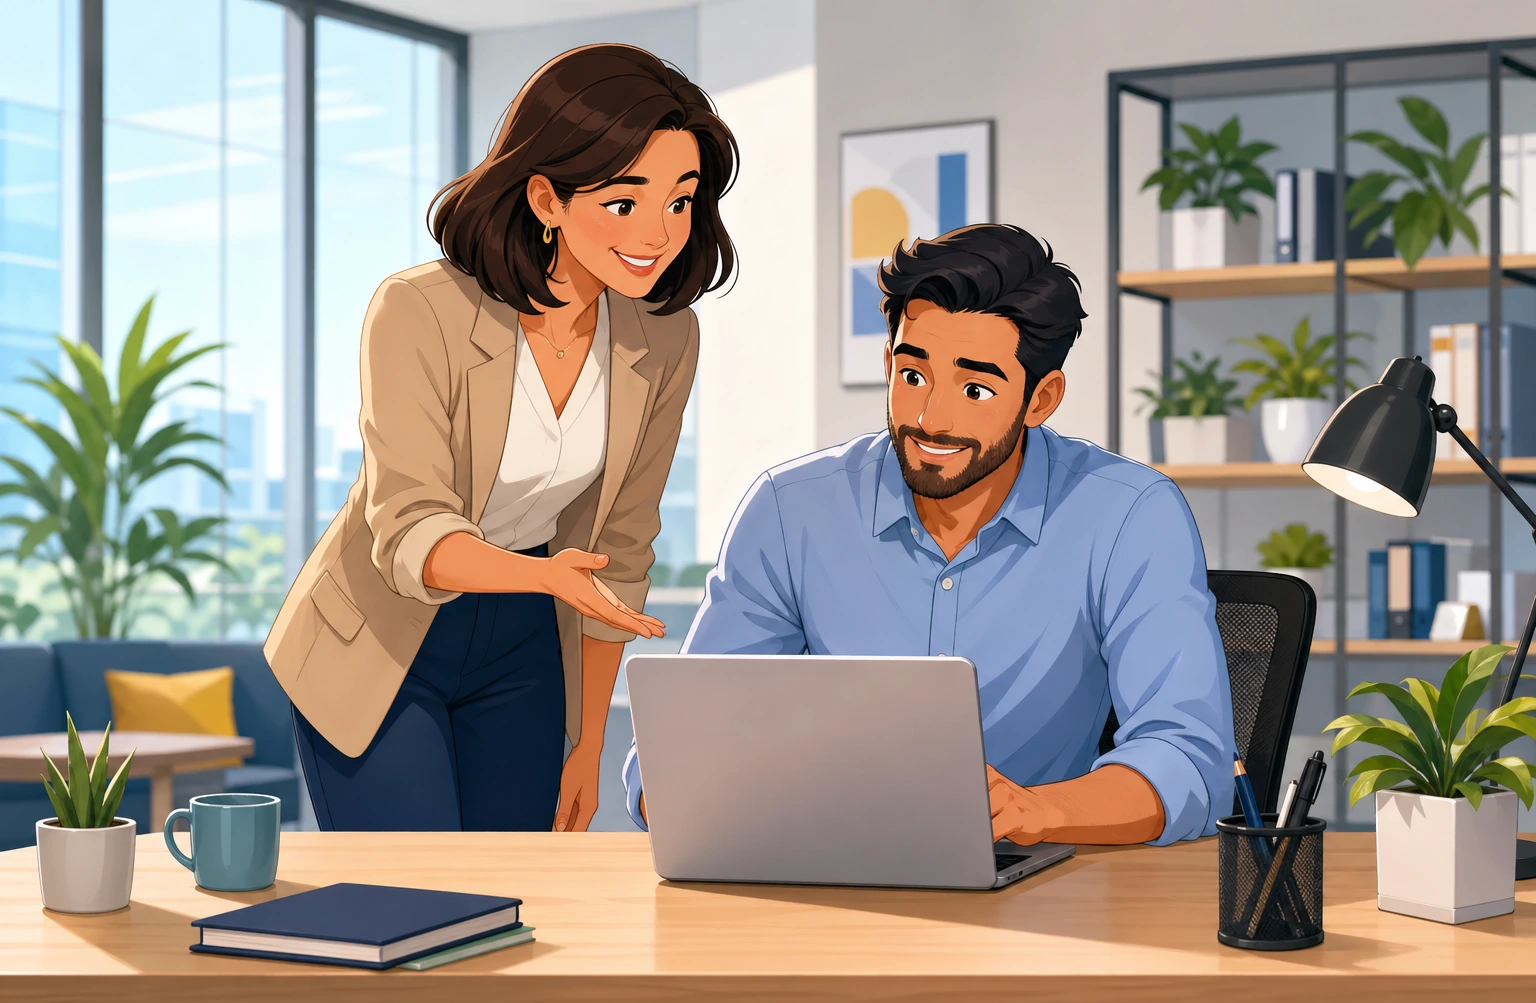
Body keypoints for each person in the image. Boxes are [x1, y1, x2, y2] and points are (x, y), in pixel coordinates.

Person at [623, 223, 1234, 846]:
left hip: (1047, 892)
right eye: (913, 376)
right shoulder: (790, 510)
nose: (931, 418)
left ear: (1040, 399)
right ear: (888, 363)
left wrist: (1035, 812)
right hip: (831, 876)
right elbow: (675, 753)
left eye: (975, 389)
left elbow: (1188, 761)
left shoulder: (1130, 515)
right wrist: (688, 786)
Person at [264, 44, 737, 833]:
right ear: (547, 198)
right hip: (385, 632)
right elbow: (410, 531)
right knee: (414, 904)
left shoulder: (663, 338)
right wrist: (549, 577)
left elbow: (620, 546)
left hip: (522, 641)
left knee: (514, 896)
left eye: (681, 202)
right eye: (625, 203)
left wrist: (587, 746)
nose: (659, 233)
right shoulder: (420, 310)